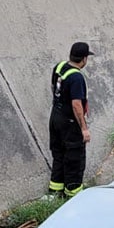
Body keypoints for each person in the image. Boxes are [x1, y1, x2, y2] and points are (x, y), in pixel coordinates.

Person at [48, 41, 93, 197]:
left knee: (58, 154)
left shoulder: (59, 67)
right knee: (74, 159)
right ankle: (73, 196)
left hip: (55, 117)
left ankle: (54, 192)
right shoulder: (77, 78)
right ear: (84, 59)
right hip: (70, 123)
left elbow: (53, 88)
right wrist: (84, 129)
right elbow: (76, 105)